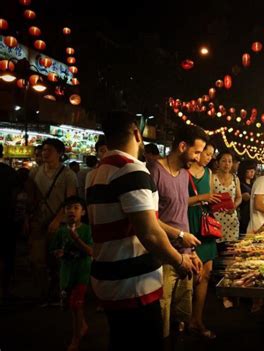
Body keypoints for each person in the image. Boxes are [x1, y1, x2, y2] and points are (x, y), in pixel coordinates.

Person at [86, 111, 194, 350]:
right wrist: (179, 260)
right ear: (137, 132)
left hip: (107, 279)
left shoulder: (96, 173)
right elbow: (150, 233)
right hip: (133, 285)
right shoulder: (132, 170)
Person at [147, 124, 204, 339]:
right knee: (162, 316)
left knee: (181, 318)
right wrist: (180, 236)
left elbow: (181, 215)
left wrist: (192, 250)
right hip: (164, 256)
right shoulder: (154, 171)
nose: (198, 158)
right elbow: (148, 220)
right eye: (196, 152)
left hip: (185, 255)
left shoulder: (183, 174)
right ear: (182, 146)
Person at [28, 138, 78, 304]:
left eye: (49, 150)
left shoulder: (68, 174)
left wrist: (58, 220)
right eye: (44, 150)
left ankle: (58, 291)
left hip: (58, 223)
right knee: (37, 259)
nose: (45, 153)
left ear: (60, 153)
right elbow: (30, 197)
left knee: (56, 260)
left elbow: (70, 200)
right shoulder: (35, 171)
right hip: (38, 221)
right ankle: (44, 291)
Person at [187, 142, 221, 339]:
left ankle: (197, 319)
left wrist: (219, 204)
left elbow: (209, 201)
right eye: (206, 153)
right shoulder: (184, 172)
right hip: (189, 223)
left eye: (210, 154)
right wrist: (203, 197)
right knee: (190, 274)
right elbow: (180, 200)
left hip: (204, 226)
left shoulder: (208, 173)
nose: (208, 157)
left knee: (206, 273)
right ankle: (183, 317)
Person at [49, 196, 92, 351]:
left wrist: (77, 239)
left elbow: (91, 251)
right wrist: (58, 253)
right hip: (66, 273)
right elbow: (54, 249)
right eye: (68, 208)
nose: (71, 211)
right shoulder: (61, 231)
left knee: (76, 305)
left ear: (83, 212)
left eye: (76, 207)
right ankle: (83, 326)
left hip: (82, 272)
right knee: (72, 305)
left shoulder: (87, 230)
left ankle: (76, 339)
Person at [0, 144, 18, 303]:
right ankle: (5, 289)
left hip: (7, 218)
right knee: (7, 256)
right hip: (7, 219)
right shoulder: (10, 172)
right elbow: (16, 197)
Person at [213, 151, 242, 242]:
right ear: (218, 163)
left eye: (230, 161)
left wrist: (234, 205)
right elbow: (209, 196)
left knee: (231, 250)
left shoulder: (235, 178)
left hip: (231, 219)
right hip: (216, 219)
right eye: (224, 161)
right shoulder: (212, 177)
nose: (227, 164)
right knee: (217, 250)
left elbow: (239, 197)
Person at [237, 160, 257, 234]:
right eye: (250, 171)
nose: (252, 173)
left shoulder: (254, 183)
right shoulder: (240, 183)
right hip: (243, 213)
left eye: (253, 171)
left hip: (251, 212)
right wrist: (242, 196)